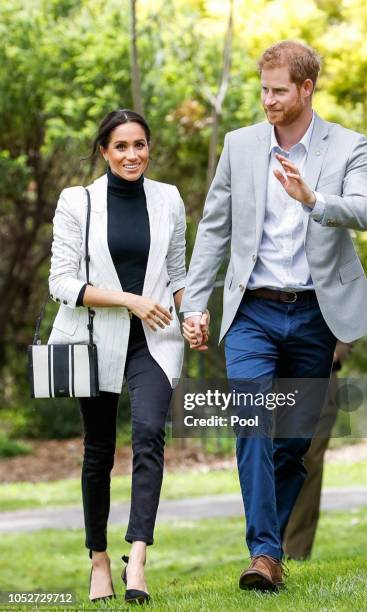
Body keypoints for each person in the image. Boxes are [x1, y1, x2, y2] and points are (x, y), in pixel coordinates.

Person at [181, 40, 367, 591]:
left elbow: (364, 211)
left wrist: (313, 198)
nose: (267, 99)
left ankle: (269, 551)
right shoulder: (240, 146)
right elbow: (216, 228)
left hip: (317, 315)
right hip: (252, 312)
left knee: (293, 446)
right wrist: (194, 302)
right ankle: (264, 555)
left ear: (306, 89)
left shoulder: (347, 146)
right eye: (263, 89)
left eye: (277, 90)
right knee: (252, 423)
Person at [48, 109, 206, 604]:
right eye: (121, 146)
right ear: (104, 151)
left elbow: (178, 275)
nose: (132, 155)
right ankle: (98, 560)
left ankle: (136, 558)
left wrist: (192, 314)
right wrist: (130, 300)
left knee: (148, 435)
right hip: (95, 340)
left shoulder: (169, 199)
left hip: (154, 341)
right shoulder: (78, 202)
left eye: (140, 145)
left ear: (149, 147)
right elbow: (62, 283)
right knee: (98, 452)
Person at [283, 341, 352, 560]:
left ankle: (295, 553)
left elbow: (355, 309)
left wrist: (338, 349)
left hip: (320, 378)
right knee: (272, 459)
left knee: (308, 462)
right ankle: (266, 550)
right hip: (273, 378)